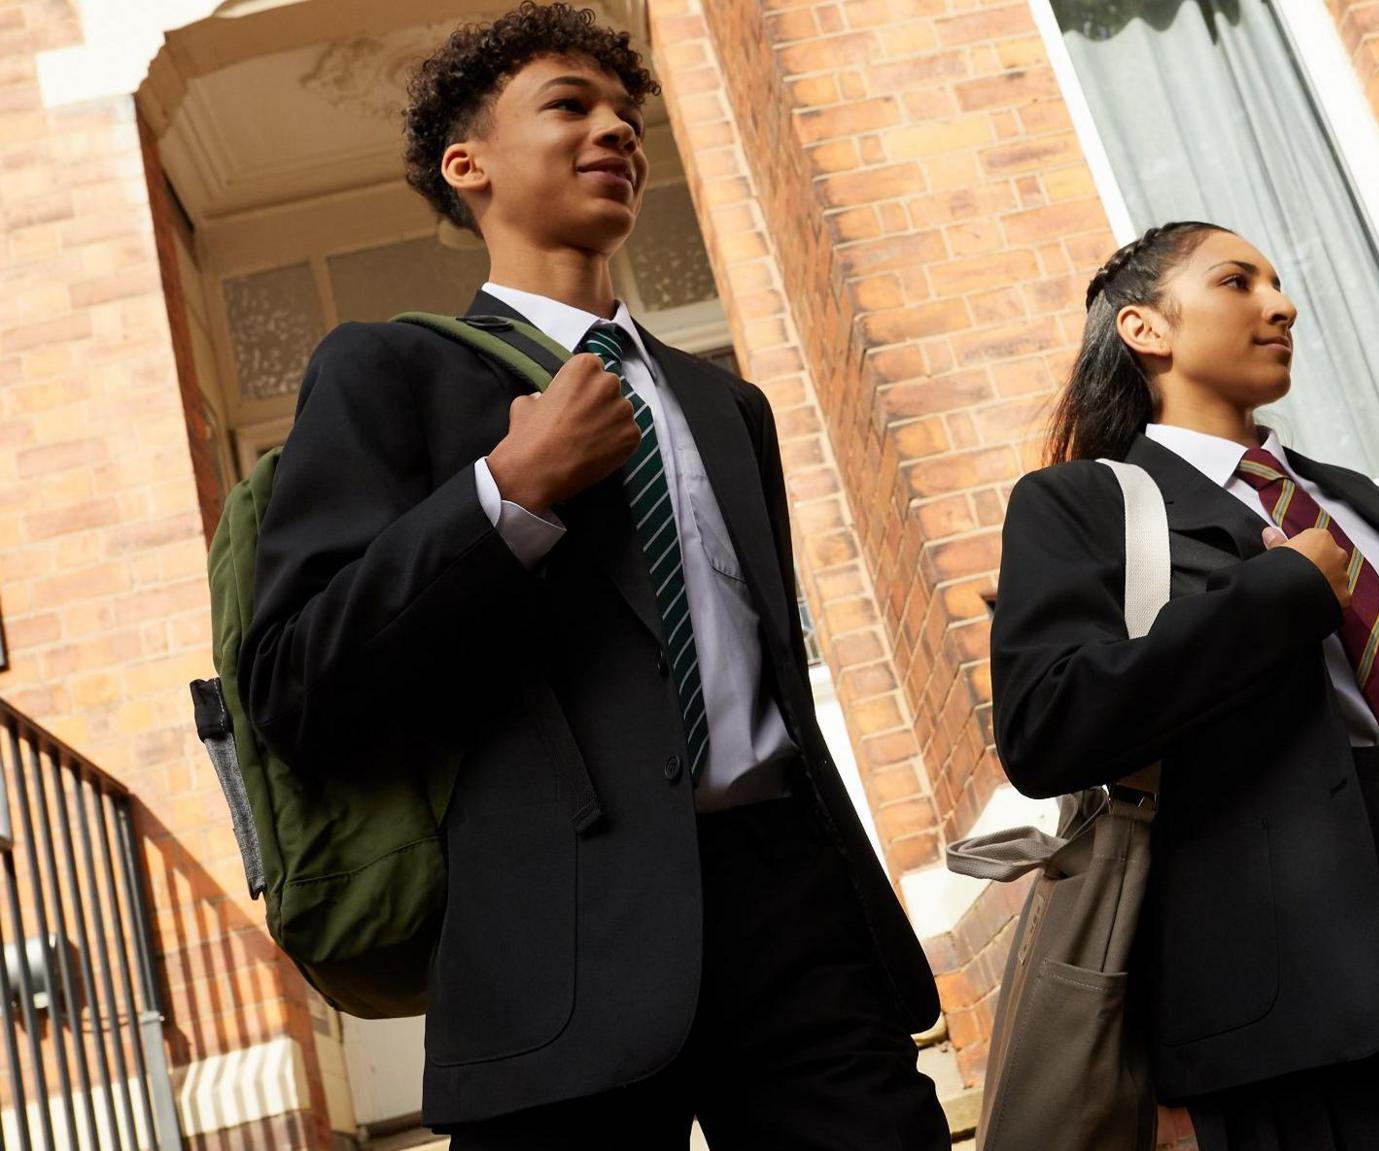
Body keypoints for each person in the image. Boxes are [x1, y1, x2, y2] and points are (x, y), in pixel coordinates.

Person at [238, 5, 949, 1146]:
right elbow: (296, 683)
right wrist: (507, 491)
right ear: (465, 166)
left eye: (629, 115)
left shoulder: (728, 407)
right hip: (556, 939)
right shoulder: (386, 372)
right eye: (568, 106)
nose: (615, 130)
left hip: (795, 916)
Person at [990, 221, 1379, 1150]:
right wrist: (1279, 593)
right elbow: (1046, 724)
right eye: (1237, 282)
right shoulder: (1081, 503)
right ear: (1145, 328)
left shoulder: (1352, 497)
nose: (1280, 303)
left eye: (1279, 283)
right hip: (1264, 986)